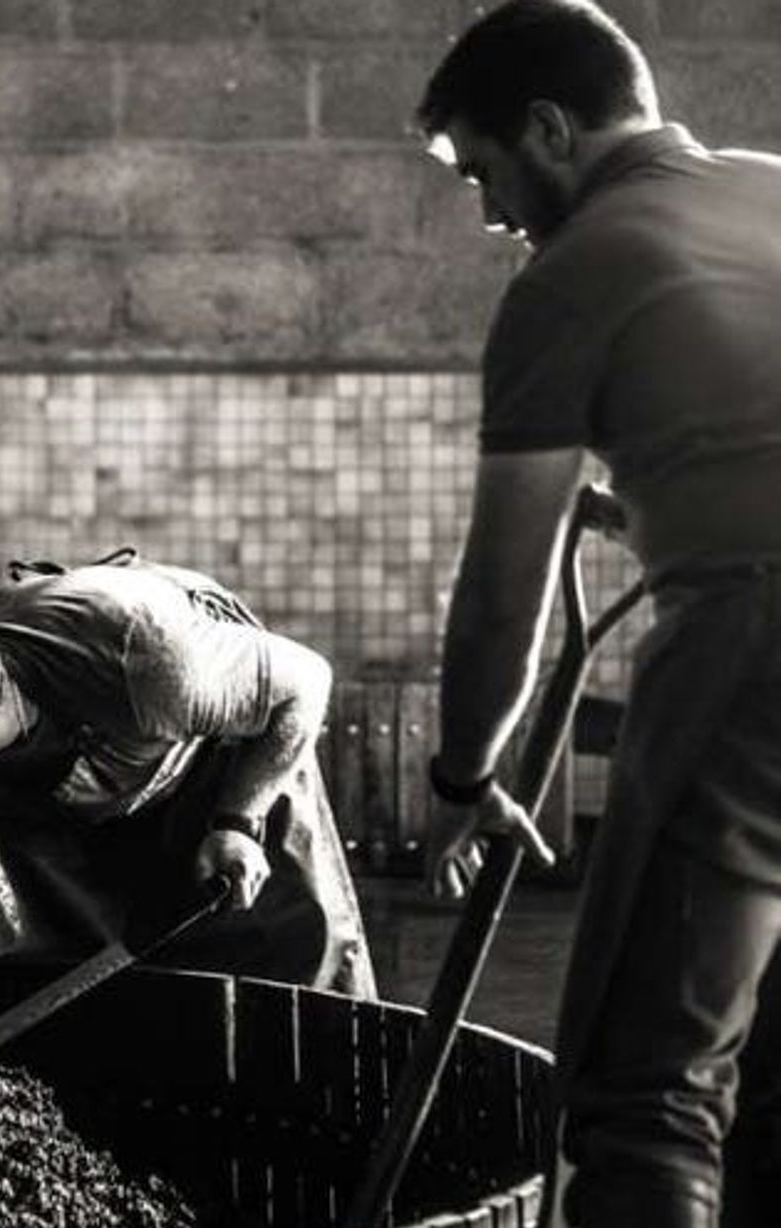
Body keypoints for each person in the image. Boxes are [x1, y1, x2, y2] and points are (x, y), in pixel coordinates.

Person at [415, 2, 781, 1225]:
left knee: (641, 1097)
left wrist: (465, 776)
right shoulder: (772, 188)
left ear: (550, 129)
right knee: (763, 1073)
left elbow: (501, 589)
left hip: (754, 652)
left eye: (483, 172)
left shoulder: (573, 274)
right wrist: (671, 498)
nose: (490, 214)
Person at [0, 548, 377, 1006]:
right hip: (69, 786)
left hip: (211, 765)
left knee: (295, 971)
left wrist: (239, 820)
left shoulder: (147, 663)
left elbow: (306, 681)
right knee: (16, 976)